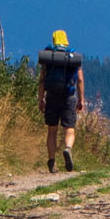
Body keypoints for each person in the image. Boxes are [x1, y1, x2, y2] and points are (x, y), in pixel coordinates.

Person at [37, 29, 84, 172]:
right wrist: (81, 100)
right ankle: (68, 149)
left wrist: (41, 100)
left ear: (54, 40)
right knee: (69, 129)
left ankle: (52, 162)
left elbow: (42, 81)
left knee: (52, 130)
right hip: (68, 97)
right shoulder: (72, 57)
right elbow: (80, 80)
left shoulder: (48, 57)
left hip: (51, 96)